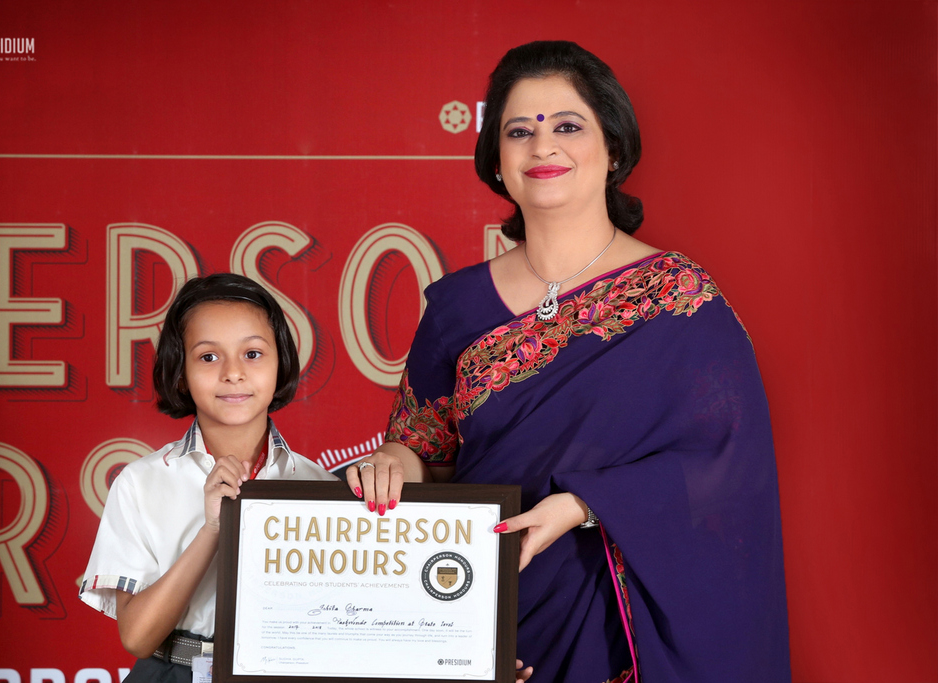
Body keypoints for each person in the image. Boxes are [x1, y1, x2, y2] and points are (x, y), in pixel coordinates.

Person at [347, 41, 790, 683]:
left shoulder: (679, 298)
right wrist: (393, 461)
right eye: (519, 131)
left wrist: (583, 504)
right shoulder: (456, 307)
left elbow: (726, 466)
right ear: (497, 161)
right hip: (484, 610)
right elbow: (427, 454)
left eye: (568, 126)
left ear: (614, 150)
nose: (542, 146)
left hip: (616, 626)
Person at [80, 273, 336, 681]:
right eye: (208, 357)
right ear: (180, 372)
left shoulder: (322, 488)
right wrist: (213, 527)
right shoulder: (141, 482)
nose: (233, 373)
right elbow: (138, 638)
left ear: (281, 363)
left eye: (252, 354)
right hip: (175, 670)